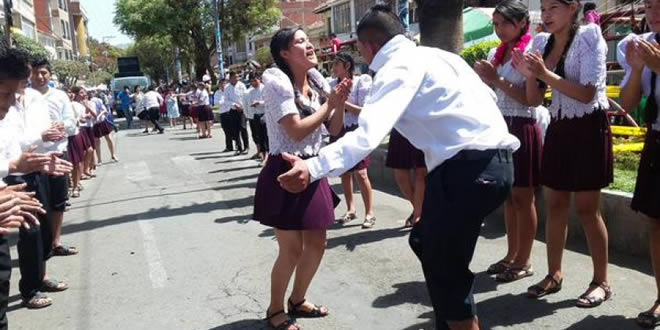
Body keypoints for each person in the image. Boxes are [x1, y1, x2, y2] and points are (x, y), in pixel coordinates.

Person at [277, 6, 519, 330]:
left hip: (465, 170)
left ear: (370, 46)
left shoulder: (396, 67)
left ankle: (457, 320)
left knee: (446, 269)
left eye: (359, 48)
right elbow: (486, 98)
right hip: (495, 164)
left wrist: (313, 166)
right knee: (425, 242)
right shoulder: (440, 57)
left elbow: (367, 134)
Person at [513, 0, 612, 308]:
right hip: (559, 125)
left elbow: (586, 93)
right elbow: (533, 99)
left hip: (588, 127)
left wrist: (545, 72)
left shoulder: (590, 36)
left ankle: (601, 281)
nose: (546, 15)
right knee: (554, 203)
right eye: (543, 8)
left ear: (573, 8)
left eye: (554, 7)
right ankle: (554, 273)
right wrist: (531, 74)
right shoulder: (542, 41)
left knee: (586, 208)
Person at [253, 27, 351, 330]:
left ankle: (298, 299)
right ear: (285, 53)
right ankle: (274, 309)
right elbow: (295, 130)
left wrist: (337, 103)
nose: (309, 45)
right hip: (285, 170)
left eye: (308, 40)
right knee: (291, 249)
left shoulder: (318, 83)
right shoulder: (277, 84)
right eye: (301, 42)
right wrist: (329, 105)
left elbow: (334, 130)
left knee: (318, 243)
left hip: (314, 167)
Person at [473, 0, 542, 283]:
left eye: (505, 23)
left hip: (522, 125)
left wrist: (495, 79)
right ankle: (512, 255)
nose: (500, 29)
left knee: (524, 198)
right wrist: (485, 80)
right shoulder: (496, 53)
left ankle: (524, 260)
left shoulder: (531, 51)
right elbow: (493, 93)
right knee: (510, 198)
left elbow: (530, 99)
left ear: (522, 23)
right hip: (501, 127)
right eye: (496, 24)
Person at [617, 1, 660, 326]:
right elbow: (629, 104)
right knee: (655, 222)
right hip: (657, 141)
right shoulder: (645, 47)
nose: (654, 12)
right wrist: (639, 68)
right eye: (649, 6)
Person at [29, 57, 80, 256]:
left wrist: (62, 126)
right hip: (35, 158)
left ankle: (55, 242)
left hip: (59, 154)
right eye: (36, 72)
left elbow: (71, 124)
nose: (40, 77)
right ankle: (42, 247)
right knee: (40, 204)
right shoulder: (23, 96)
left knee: (58, 202)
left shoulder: (60, 96)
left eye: (44, 73)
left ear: (50, 75)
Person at [329, 52, 377, 229]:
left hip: (355, 130)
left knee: (361, 173)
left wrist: (342, 102)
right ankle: (351, 209)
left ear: (347, 66)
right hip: (339, 129)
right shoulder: (331, 84)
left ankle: (370, 212)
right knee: (345, 172)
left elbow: (363, 110)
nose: (333, 68)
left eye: (336, 64)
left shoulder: (361, 81)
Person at [245, 75, 268, 163]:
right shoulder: (251, 92)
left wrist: (260, 103)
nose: (254, 83)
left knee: (266, 136)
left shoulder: (265, 89)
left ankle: (268, 155)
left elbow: (269, 101)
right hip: (256, 114)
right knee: (259, 136)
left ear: (259, 79)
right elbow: (250, 102)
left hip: (265, 113)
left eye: (255, 81)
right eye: (252, 81)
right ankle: (263, 154)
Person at [226, 72, 249, 155]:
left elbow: (246, 96)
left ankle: (246, 147)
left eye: (237, 77)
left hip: (242, 110)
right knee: (235, 130)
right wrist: (234, 105)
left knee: (243, 128)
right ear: (231, 78)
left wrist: (242, 106)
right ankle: (238, 147)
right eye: (235, 77)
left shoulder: (241, 85)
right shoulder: (227, 88)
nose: (237, 78)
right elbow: (226, 100)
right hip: (233, 110)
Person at [215, 79, 234, 152]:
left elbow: (232, 101)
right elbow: (217, 102)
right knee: (226, 130)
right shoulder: (217, 93)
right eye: (221, 84)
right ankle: (229, 146)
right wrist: (225, 102)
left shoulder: (229, 91)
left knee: (233, 130)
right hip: (223, 112)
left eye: (224, 84)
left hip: (231, 112)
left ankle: (238, 146)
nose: (223, 85)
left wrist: (225, 102)